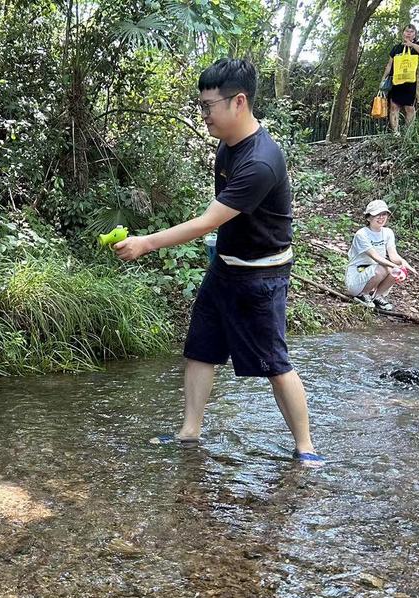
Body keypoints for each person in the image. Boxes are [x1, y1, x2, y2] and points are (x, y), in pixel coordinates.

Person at [113, 58, 321, 465]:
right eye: (201, 106)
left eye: (208, 106)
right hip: (225, 266)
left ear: (238, 102)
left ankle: (306, 449)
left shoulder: (260, 161)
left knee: (275, 363)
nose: (203, 114)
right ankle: (189, 433)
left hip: (261, 277)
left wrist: (146, 244)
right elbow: (222, 217)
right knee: (201, 349)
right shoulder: (227, 146)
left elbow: (208, 220)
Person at [345, 199, 415, 312]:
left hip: (374, 273)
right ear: (369, 218)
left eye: (384, 214)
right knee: (385, 267)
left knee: (396, 270)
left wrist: (403, 264)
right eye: (377, 215)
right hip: (357, 276)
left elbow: (393, 256)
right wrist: (393, 266)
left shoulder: (388, 232)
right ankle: (363, 294)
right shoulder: (361, 234)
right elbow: (375, 257)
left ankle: (377, 296)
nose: (381, 218)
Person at [380, 25, 419, 134]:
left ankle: (408, 133)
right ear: (403, 33)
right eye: (407, 31)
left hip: (410, 81)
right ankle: (396, 133)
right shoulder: (396, 48)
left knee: (409, 108)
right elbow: (389, 64)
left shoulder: (416, 46)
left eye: (411, 32)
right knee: (393, 107)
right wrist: (383, 78)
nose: (408, 33)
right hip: (396, 80)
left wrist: (411, 44)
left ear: (414, 34)